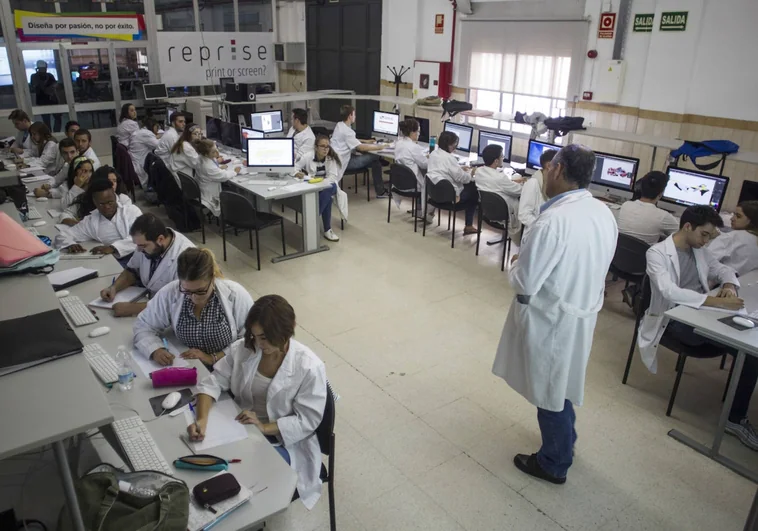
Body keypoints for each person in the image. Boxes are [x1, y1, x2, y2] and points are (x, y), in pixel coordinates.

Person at [492, 145, 618, 484]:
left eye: (548, 168)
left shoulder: (552, 221)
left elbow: (526, 282)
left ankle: (553, 462)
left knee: (549, 392)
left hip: (553, 319)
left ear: (558, 170)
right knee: (559, 383)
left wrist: (515, 263)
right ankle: (567, 442)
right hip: (580, 311)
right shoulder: (602, 212)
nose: (545, 173)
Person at [637, 205, 758, 450]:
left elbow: (723, 268)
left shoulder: (699, 249)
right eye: (705, 234)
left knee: (750, 350)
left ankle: (735, 414)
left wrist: (729, 286)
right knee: (749, 354)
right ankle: (734, 420)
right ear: (687, 227)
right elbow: (668, 291)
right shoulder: (658, 253)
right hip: (675, 321)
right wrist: (716, 301)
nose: (707, 241)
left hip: (702, 311)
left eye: (711, 236)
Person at [192, 295, 327, 509]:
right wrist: (201, 420)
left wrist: (263, 427)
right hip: (241, 426)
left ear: (288, 330)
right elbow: (213, 383)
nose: (258, 344)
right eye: (255, 336)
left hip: (283, 439)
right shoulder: (245, 348)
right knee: (208, 466)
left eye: (265, 337)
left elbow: (307, 420)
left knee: (244, 480)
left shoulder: (309, 367)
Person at [133, 248, 254, 368]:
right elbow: (143, 325)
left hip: (228, 364)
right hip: (189, 364)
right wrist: (155, 349)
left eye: (201, 291)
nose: (194, 298)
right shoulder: (170, 293)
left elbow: (250, 339)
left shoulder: (235, 294)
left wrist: (213, 357)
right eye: (187, 291)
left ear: (212, 277)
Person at [100, 213, 196, 317]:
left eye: (142, 246)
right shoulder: (146, 244)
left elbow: (179, 303)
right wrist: (114, 288)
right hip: (150, 303)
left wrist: (132, 308)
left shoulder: (187, 258)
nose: (138, 250)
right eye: (137, 245)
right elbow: (132, 271)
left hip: (172, 317)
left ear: (160, 239)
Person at [59, 176, 143, 262]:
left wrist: (112, 248)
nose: (107, 207)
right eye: (102, 204)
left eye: (110, 202)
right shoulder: (91, 222)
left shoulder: (132, 211)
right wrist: (70, 244)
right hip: (114, 261)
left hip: (141, 257)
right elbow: (63, 236)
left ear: (115, 197)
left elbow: (140, 237)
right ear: (95, 202)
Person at [426, 131, 478, 234]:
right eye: (455, 145)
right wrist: (471, 174)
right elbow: (462, 178)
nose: (455, 147)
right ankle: (468, 226)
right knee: (474, 191)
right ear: (449, 145)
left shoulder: (433, 153)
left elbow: (444, 170)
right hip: (448, 197)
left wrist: (459, 167)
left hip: (434, 194)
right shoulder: (450, 158)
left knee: (468, 188)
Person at [330, 105, 387, 198]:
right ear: (350, 116)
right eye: (354, 115)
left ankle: (380, 191)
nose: (355, 117)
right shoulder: (348, 132)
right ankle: (380, 192)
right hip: (345, 162)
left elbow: (351, 140)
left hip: (336, 159)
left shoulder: (340, 125)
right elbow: (360, 148)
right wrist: (380, 147)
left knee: (376, 163)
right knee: (375, 157)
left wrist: (366, 141)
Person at [295, 135, 342, 242]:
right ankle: (327, 229)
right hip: (312, 186)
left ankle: (313, 218)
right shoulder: (308, 156)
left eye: (327, 147)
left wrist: (321, 184)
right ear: (316, 147)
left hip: (329, 185)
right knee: (328, 199)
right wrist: (297, 173)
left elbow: (333, 177)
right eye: (322, 146)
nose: (326, 149)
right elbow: (295, 167)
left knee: (328, 189)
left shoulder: (331, 159)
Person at [474, 144, 524, 243]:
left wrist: (511, 183)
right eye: (502, 156)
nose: (503, 158)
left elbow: (499, 186)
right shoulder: (500, 177)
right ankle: (521, 245)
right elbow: (519, 191)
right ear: (496, 161)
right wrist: (523, 183)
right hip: (503, 214)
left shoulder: (479, 171)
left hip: (488, 211)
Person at [617, 171, 679, 246]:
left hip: (619, 256)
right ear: (660, 194)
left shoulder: (625, 205)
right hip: (645, 257)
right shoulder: (663, 216)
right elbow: (682, 234)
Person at [59, 165, 131, 224]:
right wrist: (79, 225)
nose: (112, 184)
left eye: (114, 181)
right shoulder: (86, 198)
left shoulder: (123, 200)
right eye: (109, 181)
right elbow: (65, 214)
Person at [707, 201, 758, 276]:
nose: (732, 218)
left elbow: (705, 263)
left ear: (751, 220)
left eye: (738, 216)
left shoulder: (730, 238)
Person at [192, 139, 240, 217]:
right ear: (206, 154)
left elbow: (211, 169)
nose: (217, 153)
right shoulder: (208, 166)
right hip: (209, 193)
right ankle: (231, 216)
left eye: (216, 149)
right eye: (213, 152)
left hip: (203, 186)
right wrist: (235, 172)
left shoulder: (201, 157)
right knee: (235, 191)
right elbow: (224, 176)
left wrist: (219, 167)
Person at [394, 118, 431, 219]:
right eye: (418, 131)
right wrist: (431, 158)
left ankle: (419, 210)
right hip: (411, 184)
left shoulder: (399, 143)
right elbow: (424, 165)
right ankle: (426, 214)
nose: (419, 134)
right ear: (412, 133)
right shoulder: (414, 147)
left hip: (399, 182)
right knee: (431, 182)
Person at [518, 149, 557, 231]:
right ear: (549, 165)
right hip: (535, 232)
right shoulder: (533, 183)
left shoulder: (552, 183)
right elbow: (523, 214)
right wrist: (543, 228)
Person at [55, 157, 94, 222]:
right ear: (75, 172)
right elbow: (64, 206)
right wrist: (77, 186)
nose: (89, 175)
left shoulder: (93, 187)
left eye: (90, 171)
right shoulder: (67, 185)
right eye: (85, 171)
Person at [29, 60, 61, 132]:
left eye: (45, 68)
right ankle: (48, 134)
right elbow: (34, 86)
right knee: (46, 120)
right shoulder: (34, 76)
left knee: (58, 118)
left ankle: (57, 132)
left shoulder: (49, 75)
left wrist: (53, 87)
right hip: (42, 101)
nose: (44, 70)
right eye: (43, 69)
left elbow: (55, 83)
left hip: (52, 100)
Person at [129, 118, 161, 189]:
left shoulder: (141, 132)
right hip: (141, 165)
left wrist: (157, 137)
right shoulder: (146, 134)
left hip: (135, 161)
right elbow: (158, 145)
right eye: (157, 127)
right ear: (152, 126)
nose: (158, 130)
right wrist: (165, 137)